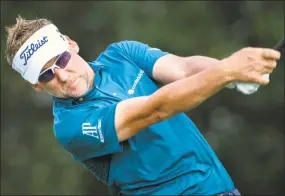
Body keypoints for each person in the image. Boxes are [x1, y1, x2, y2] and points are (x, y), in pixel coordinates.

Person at [5, 16, 280, 196]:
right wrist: (226, 73)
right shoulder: (70, 126)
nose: (61, 76)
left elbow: (183, 69)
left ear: (71, 45)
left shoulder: (121, 54)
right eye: (46, 74)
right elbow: (154, 110)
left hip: (220, 188)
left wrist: (232, 74)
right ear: (36, 85)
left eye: (61, 60)